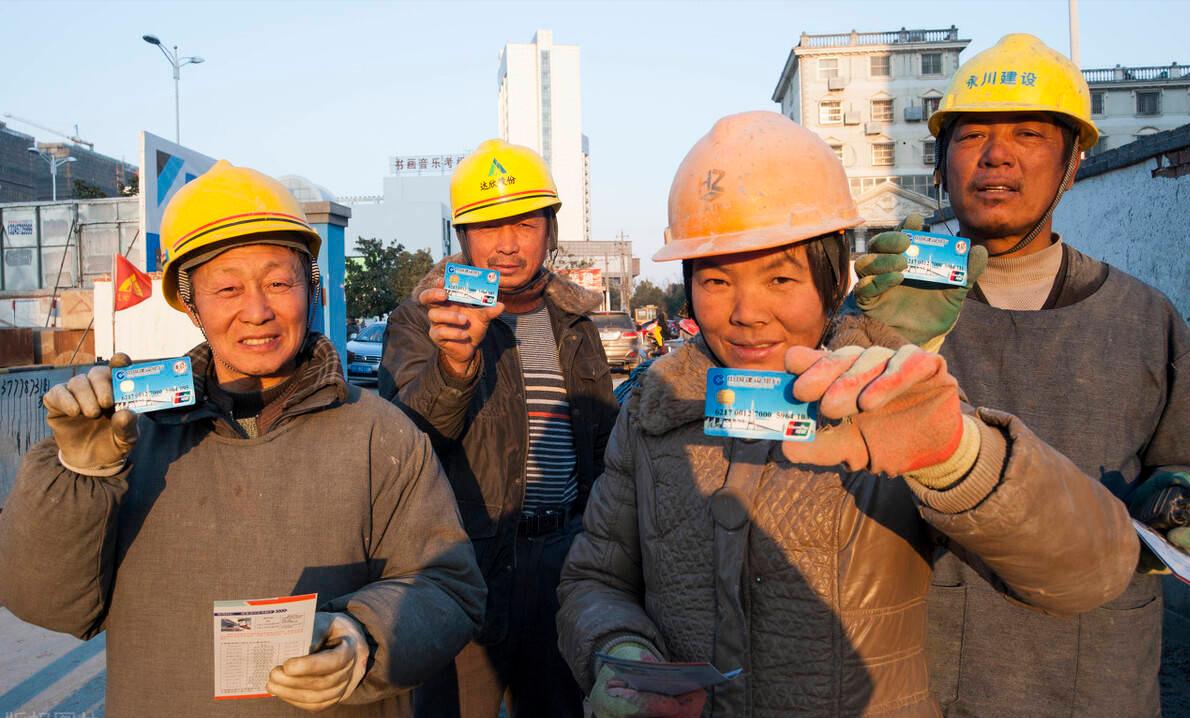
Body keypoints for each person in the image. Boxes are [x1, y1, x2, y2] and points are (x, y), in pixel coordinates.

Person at [555, 111, 1138, 717]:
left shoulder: (886, 393)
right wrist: (623, 653)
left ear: (835, 281)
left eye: (781, 278)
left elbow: (1090, 571)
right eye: (717, 281)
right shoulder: (657, 410)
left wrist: (955, 455)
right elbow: (593, 581)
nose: (745, 312)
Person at [0, 161, 486, 717]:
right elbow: (46, 604)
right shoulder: (131, 435)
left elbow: (452, 588)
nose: (257, 311)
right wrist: (79, 475)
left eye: (280, 282)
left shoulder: (379, 433)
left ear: (313, 287)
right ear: (190, 303)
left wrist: (365, 640)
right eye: (227, 287)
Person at [853, 34, 1190, 717]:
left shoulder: (1144, 318)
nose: (996, 154)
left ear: (1072, 164)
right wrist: (886, 344)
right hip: (925, 670)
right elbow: (825, 483)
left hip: (1096, 669)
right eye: (972, 134)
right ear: (941, 163)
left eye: (1030, 133)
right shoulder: (888, 303)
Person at [379, 139, 619, 718]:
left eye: (525, 223)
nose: (507, 244)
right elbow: (405, 442)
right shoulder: (423, 318)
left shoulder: (575, 322)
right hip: (467, 567)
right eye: (488, 226)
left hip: (565, 561)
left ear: (550, 231)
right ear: (462, 237)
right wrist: (454, 366)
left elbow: (603, 447)